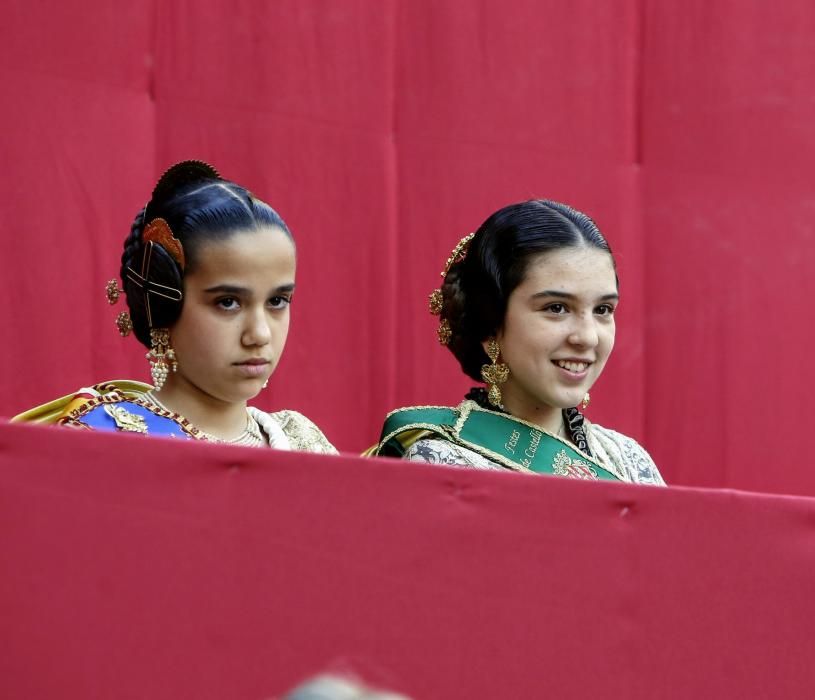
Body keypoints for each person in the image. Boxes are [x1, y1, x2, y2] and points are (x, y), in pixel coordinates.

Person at [13, 160, 335, 454]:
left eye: (277, 301)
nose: (260, 334)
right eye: (228, 303)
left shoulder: (302, 442)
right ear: (163, 302)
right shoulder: (108, 441)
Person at [373, 199, 664, 484]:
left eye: (603, 310)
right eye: (556, 308)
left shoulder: (630, 464)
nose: (587, 337)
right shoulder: (442, 464)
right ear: (491, 326)